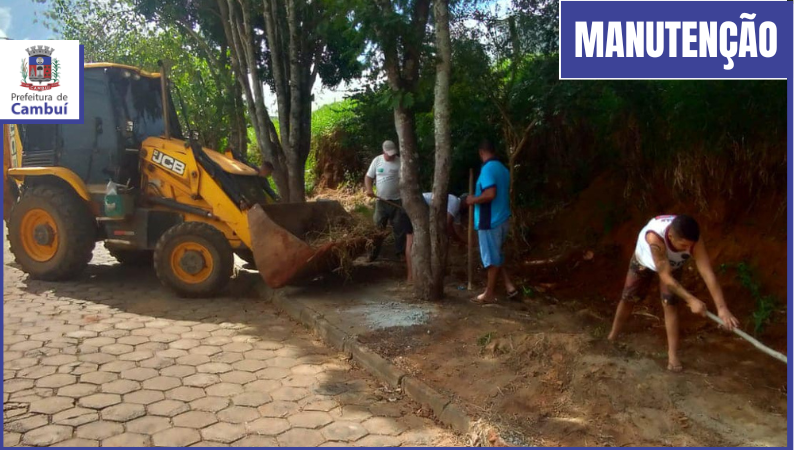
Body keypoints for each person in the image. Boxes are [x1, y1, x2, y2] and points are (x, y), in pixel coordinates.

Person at [607, 214, 740, 372]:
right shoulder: (654, 238)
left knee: (670, 304)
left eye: (689, 246)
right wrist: (691, 300)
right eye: (683, 245)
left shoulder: (692, 239)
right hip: (644, 260)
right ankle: (612, 337)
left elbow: (707, 273)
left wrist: (722, 308)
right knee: (629, 298)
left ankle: (672, 355)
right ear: (670, 236)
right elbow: (665, 277)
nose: (687, 250)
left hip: (672, 265)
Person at [465, 139, 518, 304]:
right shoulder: (503, 169)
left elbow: (490, 194)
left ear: (481, 152)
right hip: (502, 218)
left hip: (490, 221)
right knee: (497, 255)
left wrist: (473, 199)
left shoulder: (487, 169)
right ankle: (510, 286)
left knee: (491, 259)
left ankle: (489, 293)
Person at [403, 192, 468, 283]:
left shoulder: (456, 212)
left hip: (413, 205)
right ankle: (411, 277)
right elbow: (446, 224)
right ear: (465, 204)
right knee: (411, 242)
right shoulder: (455, 202)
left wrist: (464, 241)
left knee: (411, 241)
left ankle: (411, 277)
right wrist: (454, 237)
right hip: (417, 207)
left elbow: (457, 231)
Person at [365, 140, 407, 261]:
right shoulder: (377, 161)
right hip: (381, 201)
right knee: (377, 227)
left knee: (399, 228)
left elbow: (405, 181)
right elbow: (368, 177)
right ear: (384, 151)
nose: (392, 156)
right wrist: (369, 189)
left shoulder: (400, 162)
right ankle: (373, 253)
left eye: (393, 153)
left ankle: (400, 253)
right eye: (389, 154)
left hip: (397, 200)